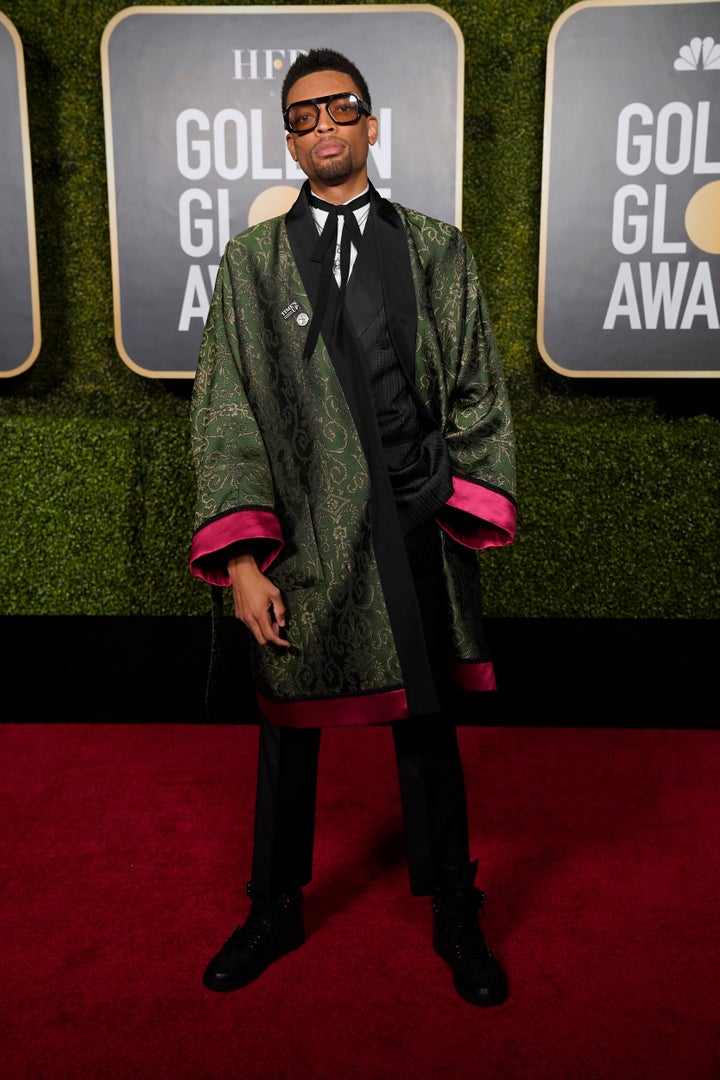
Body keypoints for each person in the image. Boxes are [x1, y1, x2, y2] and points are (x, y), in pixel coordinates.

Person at [189, 47, 516, 1007]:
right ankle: (275, 904)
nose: (324, 124)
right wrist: (245, 559)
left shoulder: (436, 249)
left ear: (372, 124)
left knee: (428, 732)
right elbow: (227, 410)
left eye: (341, 108)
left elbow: (476, 392)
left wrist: (445, 501)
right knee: (288, 734)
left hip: (411, 525)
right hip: (299, 542)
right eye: (303, 115)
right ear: (289, 139)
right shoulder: (252, 264)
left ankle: (456, 906)